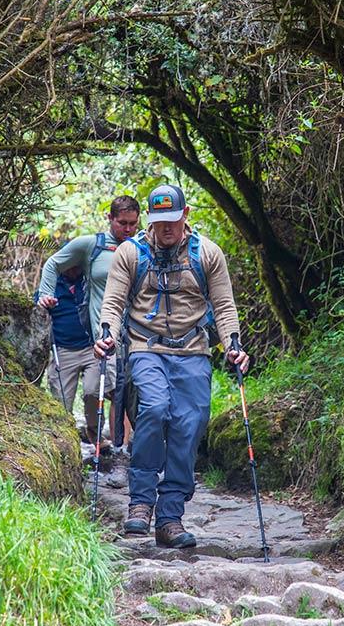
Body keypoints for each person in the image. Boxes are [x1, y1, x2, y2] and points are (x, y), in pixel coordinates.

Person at [95, 184, 249, 549]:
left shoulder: (207, 254)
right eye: (159, 221)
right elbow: (113, 303)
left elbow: (224, 307)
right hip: (145, 348)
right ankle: (141, 502)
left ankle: (170, 517)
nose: (166, 229)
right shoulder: (131, 254)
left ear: (186, 215)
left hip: (193, 350)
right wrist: (106, 334)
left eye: (173, 221)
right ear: (152, 220)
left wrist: (233, 344)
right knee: (153, 408)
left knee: (190, 422)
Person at [37, 195, 141, 450]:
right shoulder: (91, 246)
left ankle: (124, 448)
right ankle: (88, 445)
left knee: (127, 395)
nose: (128, 230)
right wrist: (45, 294)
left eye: (133, 224)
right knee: (97, 392)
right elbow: (53, 263)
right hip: (102, 337)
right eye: (122, 223)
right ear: (110, 219)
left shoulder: (143, 246)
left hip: (138, 336)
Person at [35, 266, 96, 425]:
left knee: (93, 392)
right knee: (61, 401)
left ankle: (94, 430)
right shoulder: (50, 283)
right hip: (63, 350)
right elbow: (36, 310)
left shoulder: (91, 280)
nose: (72, 267)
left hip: (92, 348)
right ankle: (67, 435)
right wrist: (43, 304)